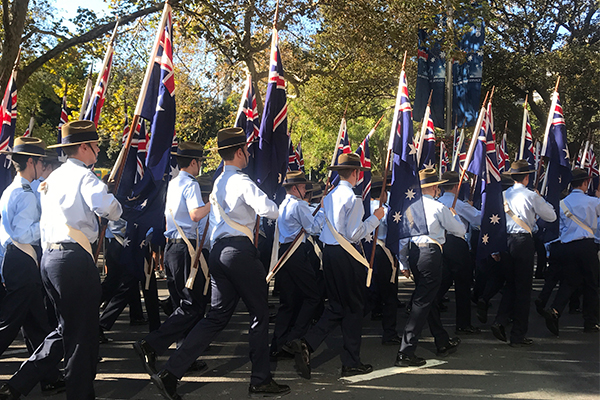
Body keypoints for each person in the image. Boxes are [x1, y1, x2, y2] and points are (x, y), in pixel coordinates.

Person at [148, 127, 290, 399]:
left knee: (215, 317)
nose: (248, 154)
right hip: (239, 252)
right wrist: (281, 202)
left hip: (218, 253)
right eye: (246, 150)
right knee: (260, 313)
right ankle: (260, 378)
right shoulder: (242, 181)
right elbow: (268, 210)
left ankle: (171, 372)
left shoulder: (218, 183)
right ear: (239, 152)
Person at [0, 121, 122, 400]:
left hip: (51, 260)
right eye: (95, 145)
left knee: (69, 326)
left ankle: (19, 383)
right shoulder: (85, 177)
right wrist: (114, 201)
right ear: (83, 147)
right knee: (80, 334)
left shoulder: (51, 179)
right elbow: (108, 209)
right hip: (74, 259)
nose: (98, 149)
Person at [289, 153, 385, 379]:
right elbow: (354, 233)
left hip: (330, 254)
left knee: (337, 306)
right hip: (346, 254)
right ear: (356, 173)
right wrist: (376, 218)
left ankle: (307, 343)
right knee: (353, 307)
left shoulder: (330, 195)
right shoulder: (354, 198)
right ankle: (351, 362)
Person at [133, 142, 211, 376]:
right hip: (187, 249)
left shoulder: (172, 184)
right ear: (194, 163)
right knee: (193, 306)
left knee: (182, 304)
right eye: (200, 162)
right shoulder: (190, 184)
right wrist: (213, 202)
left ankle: (183, 355)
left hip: (172, 249)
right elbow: (195, 214)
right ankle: (152, 343)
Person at [0, 138, 64, 396]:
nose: (42, 167)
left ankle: (48, 375)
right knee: (9, 324)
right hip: (23, 261)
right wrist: (48, 224)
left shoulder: (12, 190)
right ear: (31, 162)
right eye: (40, 162)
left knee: (37, 324)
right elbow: (23, 234)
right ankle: (48, 375)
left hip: (16, 260)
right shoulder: (25, 196)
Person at [395, 168, 465, 367]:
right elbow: (460, 230)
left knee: (429, 298)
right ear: (433, 187)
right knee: (422, 302)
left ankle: (441, 340)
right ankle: (406, 351)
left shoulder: (409, 207)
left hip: (414, 252)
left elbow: (403, 239)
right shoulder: (438, 207)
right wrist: (454, 215)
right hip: (430, 254)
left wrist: (404, 262)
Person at [491, 160, 556, 347]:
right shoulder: (531, 195)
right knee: (523, 289)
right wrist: (540, 197)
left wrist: (495, 248)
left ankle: (500, 320)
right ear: (527, 177)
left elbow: (495, 224)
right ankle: (518, 334)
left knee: (510, 284)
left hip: (505, 241)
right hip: (523, 241)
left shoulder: (502, 195)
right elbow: (551, 216)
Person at [270, 171, 324, 359]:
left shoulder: (283, 203)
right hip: (296, 252)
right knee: (312, 296)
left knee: (288, 301)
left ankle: (277, 344)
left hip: (285, 252)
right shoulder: (299, 205)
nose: (305, 190)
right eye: (302, 187)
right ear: (295, 188)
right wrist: (322, 212)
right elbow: (314, 228)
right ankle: (294, 339)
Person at [542, 168, 600, 335]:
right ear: (585, 183)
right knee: (591, 283)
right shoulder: (592, 202)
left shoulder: (561, 203)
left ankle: (555, 310)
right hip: (586, 245)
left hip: (567, 245)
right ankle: (590, 322)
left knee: (569, 282)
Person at [437, 171, 482, 334]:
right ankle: (463, 323)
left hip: (442, 242)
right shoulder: (459, 204)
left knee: (445, 279)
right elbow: (477, 219)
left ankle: (429, 306)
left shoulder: (439, 201)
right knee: (463, 284)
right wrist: (471, 208)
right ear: (457, 186)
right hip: (457, 243)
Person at [366, 175, 402, 345]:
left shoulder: (364, 208)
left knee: (369, 289)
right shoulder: (385, 210)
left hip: (365, 252)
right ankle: (389, 332)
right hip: (383, 251)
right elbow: (395, 235)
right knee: (389, 294)